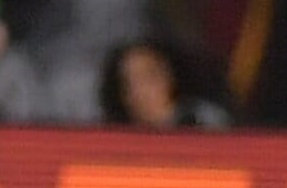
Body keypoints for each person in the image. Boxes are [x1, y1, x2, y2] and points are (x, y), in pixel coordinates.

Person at [99, 39, 232, 128]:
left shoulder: (205, 122)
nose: (138, 89)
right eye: (128, 82)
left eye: (148, 76)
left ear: (169, 76)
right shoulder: (115, 134)